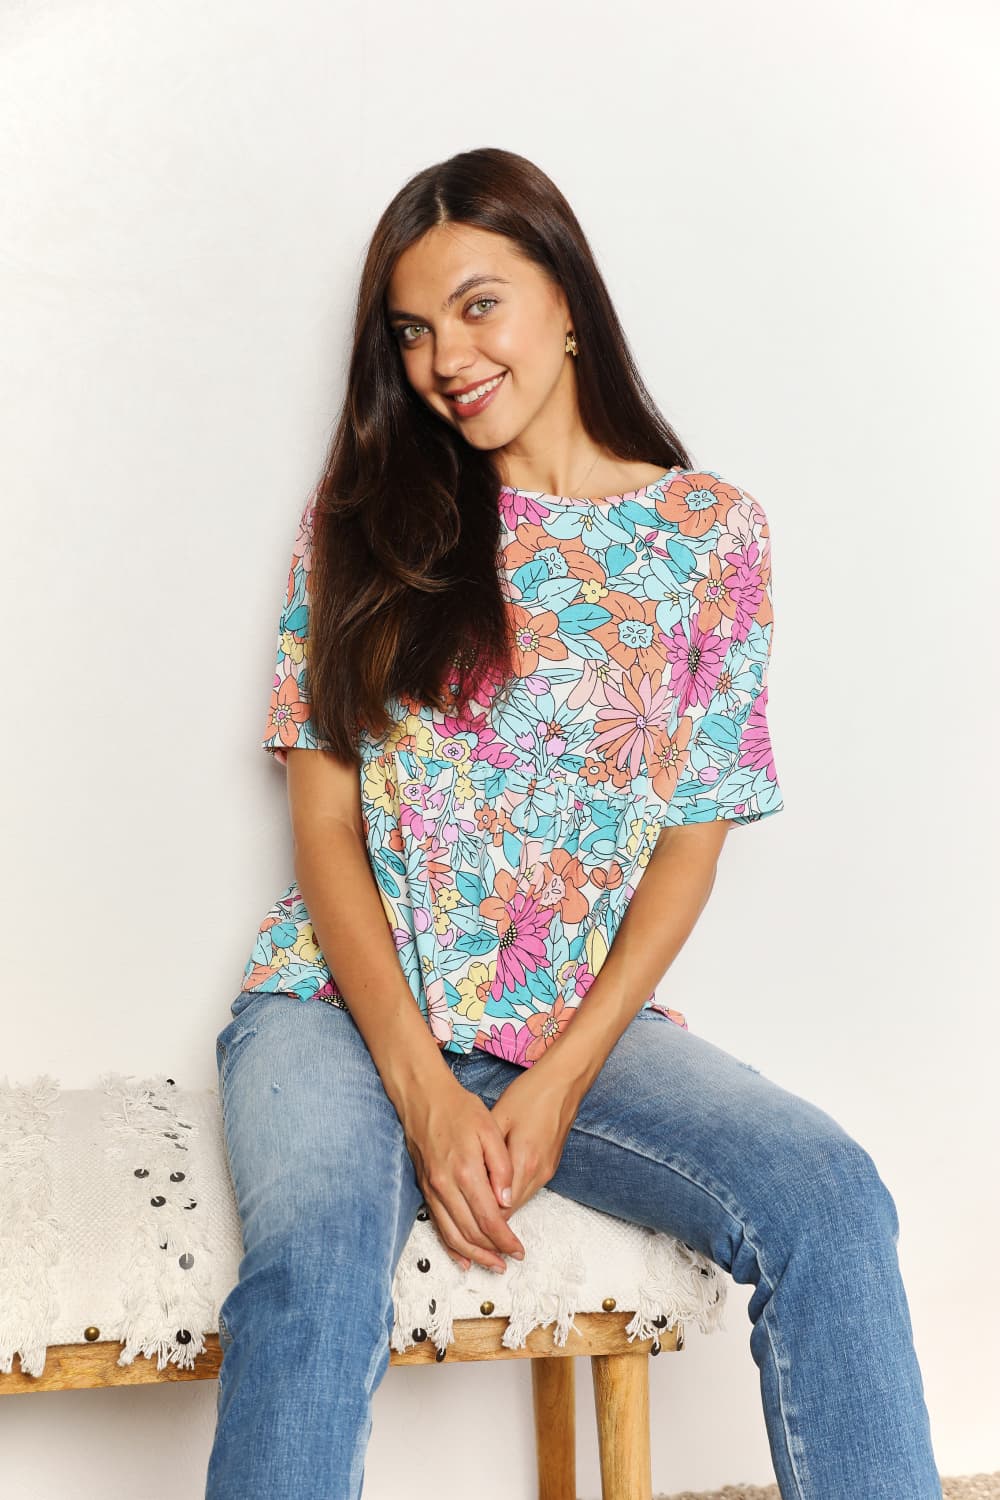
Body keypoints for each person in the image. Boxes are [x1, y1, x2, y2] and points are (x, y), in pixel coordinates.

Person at [205, 147, 941, 1500]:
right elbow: (321, 830)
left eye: (478, 306)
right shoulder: (366, 520)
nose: (445, 359)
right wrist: (426, 1093)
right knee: (316, 1266)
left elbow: (691, 841)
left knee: (832, 1197)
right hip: (333, 1004)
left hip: (570, 1021)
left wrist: (552, 1083)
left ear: (566, 297)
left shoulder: (710, 536)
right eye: (414, 330)